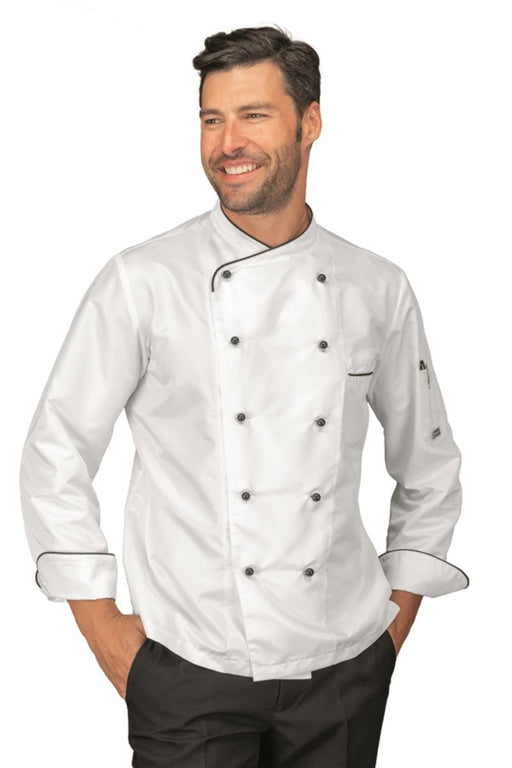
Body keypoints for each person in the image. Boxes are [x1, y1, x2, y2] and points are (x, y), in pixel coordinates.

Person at [19, 25, 469, 768]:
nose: (229, 143)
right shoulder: (143, 279)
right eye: (212, 119)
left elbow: (429, 463)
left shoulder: (375, 286)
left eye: (254, 115)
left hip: (345, 669)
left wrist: (394, 624)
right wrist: (102, 628)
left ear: (309, 122)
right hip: (189, 668)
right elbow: (56, 449)